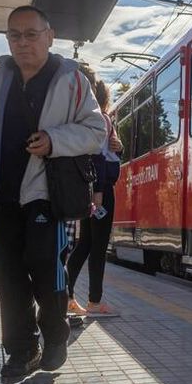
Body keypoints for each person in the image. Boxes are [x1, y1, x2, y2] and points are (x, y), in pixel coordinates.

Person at [0, 5, 106, 379]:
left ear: (49, 35)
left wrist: (55, 140)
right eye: (15, 35)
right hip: (0, 193)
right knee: (7, 276)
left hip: (46, 193)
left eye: (31, 34)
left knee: (43, 265)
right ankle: (21, 350)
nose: (23, 43)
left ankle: (55, 336)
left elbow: (95, 131)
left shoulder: (71, 79)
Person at [67, 80, 123, 317]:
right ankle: (94, 301)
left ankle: (67, 296)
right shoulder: (102, 119)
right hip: (102, 189)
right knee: (98, 247)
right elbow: (100, 158)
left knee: (84, 244)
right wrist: (99, 191)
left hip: (87, 188)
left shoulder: (85, 120)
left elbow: (106, 152)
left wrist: (119, 148)